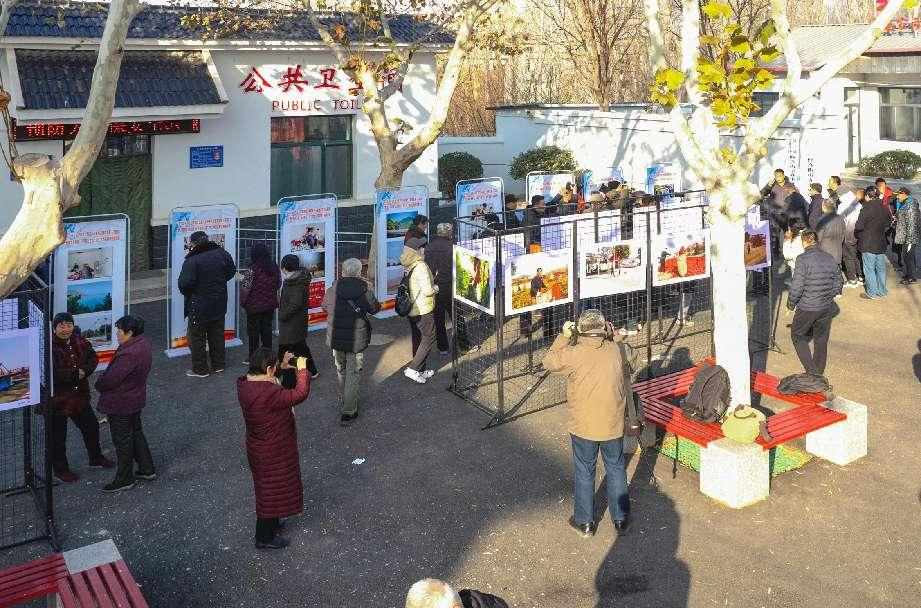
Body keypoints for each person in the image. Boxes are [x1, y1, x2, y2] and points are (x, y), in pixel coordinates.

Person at [543, 309, 633, 537]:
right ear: (603, 327)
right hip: (612, 423)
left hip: (583, 425)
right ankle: (621, 518)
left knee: (585, 470)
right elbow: (632, 356)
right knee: (616, 468)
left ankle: (585, 522)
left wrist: (563, 336)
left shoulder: (574, 354)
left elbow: (548, 361)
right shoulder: (615, 349)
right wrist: (613, 336)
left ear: (580, 329)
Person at [236, 348, 311, 549]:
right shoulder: (268, 393)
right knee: (269, 493)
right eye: (275, 367)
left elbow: (269, 381)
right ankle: (264, 537)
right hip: (273, 450)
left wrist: (283, 367)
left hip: (259, 447)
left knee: (270, 489)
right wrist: (302, 370)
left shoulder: (247, 386)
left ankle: (273, 524)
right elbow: (299, 393)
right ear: (268, 369)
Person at [48, 312, 113, 483]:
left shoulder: (79, 339)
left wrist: (85, 371)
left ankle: (96, 458)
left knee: (91, 427)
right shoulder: (48, 346)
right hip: (57, 400)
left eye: (69, 325)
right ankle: (61, 470)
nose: (65, 329)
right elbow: (51, 372)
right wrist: (76, 374)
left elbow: (93, 358)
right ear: (54, 328)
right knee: (57, 437)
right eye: (61, 326)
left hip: (78, 396)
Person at [94, 315, 155, 493]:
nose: (117, 334)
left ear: (129, 332)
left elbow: (110, 379)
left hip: (121, 403)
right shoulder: (142, 344)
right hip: (135, 398)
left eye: (119, 331)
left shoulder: (129, 353)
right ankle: (147, 468)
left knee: (123, 441)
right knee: (136, 433)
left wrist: (99, 383)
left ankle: (124, 478)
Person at [321, 258, 380, 425]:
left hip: (336, 337)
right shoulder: (364, 290)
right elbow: (375, 309)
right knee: (353, 372)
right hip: (356, 339)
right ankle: (349, 410)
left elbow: (324, 307)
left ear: (342, 272)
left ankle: (346, 397)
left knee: (341, 369)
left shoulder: (332, 289)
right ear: (359, 273)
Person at [178, 230, 237, 377]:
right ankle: (219, 365)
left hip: (198, 305)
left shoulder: (192, 261)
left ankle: (200, 369)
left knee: (196, 337)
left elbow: (184, 284)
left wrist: (193, 293)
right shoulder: (222, 253)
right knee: (217, 334)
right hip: (219, 301)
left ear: (194, 244)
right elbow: (231, 271)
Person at [786, 231, 842, 378]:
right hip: (825, 306)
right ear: (816, 241)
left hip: (807, 306)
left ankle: (811, 371)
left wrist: (791, 305)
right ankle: (818, 372)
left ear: (804, 242)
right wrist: (829, 295)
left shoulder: (802, 259)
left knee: (797, 335)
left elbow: (797, 286)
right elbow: (839, 281)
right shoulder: (829, 257)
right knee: (821, 338)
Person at [277, 254, 319, 386]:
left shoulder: (294, 282)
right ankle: (311, 371)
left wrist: (282, 315)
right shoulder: (299, 278)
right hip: (298, 322)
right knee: (301, 348)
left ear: (284, 268)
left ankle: (288, 382)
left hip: (291, 324)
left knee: (286, 352)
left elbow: (295, 304)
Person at [401, 238, 438, 384]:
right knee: (429, 337)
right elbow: (428, 291)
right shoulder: (421, 266)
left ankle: (420, 370)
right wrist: (436, 288)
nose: (424, 249)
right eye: (421, 247)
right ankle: (413, 369)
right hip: (423, 309)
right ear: (416, 251)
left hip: (411, 308)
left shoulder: (407, 263)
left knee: (417, 337)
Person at [240, 243, 280, 363]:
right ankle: (269, 357)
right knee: (267, 330)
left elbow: (245, 289)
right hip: (270, 304)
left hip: (254, 306)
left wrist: (243, 303)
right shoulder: (274, 267)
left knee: (253, 333)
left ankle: (253, 357)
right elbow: (278, 284)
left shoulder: (252, 269)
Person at [424, 223, 459, 355]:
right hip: (449, 285)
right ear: (449, 233)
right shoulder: (452, 247)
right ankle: (463, 345)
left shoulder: (429, 247)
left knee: (438, 319)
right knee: (456, 316)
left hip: (434, 286)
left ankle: (442, 347)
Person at [854, 186, 891, 300]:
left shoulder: (866, 208)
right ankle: (882, 290)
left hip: (868, 242)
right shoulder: (884, 207)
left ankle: (872, 292)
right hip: (880, 241)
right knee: (881, 268)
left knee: (869, 268)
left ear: (867, 196)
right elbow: (888, 223)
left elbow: (859, 226)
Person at [761, 169, 797, 253]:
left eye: (780, 176)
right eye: (776, 176)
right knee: (775, 236)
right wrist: (768, 186)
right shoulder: (772, 185)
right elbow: (762, 194)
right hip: (775, 214)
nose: (778, 178)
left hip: (787, 215)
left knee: (788, 234)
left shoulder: (790, 185)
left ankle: (787, 252)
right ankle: (776, 253)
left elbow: (796, 197)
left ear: (783, 176)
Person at [893, 187, 920, 284]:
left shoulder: (910, 205)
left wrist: (909, 240)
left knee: (908, 256)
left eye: (899, 195)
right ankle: (910, 274)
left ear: (905, 194)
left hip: (910, 237)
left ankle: (911, 277)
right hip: (906, 235)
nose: (897, 197)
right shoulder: (905, 203)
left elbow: (912, 223)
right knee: (908, 256)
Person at [839, 188, 864, 288]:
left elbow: (840, 220)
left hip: (848, 234)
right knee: (857, 255)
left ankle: (852, 279)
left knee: (848, 257)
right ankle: (860, 276)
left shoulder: (844, 206)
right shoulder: (860, 206)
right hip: (858, 234)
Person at [816, 198, 845, 267]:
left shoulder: (822, 219)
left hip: (825, 253)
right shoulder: (840, 218)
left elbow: (818, 238)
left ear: (824, 207)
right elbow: (843, 235)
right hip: (837, 252)